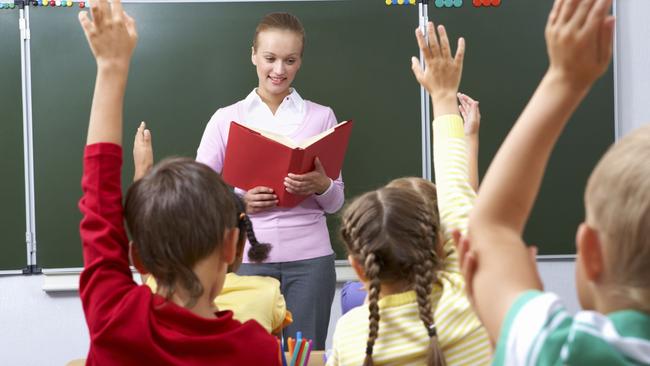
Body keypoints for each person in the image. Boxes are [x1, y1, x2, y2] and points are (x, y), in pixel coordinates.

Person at [77, 1, 280, 364]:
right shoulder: (256, 350)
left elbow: (99, 203)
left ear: (138, 257)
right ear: (232, 245)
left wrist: (111, 68)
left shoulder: (116, 321)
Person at [457, 0, 649, 364]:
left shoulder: (560, 351)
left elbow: (491, 225)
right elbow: (493, 227)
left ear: (590, 252)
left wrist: (566, 77)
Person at [328, 21, 491, 366]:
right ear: (438, 243)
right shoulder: (469, 304)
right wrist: (444, 97)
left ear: (359, 268)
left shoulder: (351, 335)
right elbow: (457, 194)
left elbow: (457, 202)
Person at [196, 12, 343, 348]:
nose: (279, 70)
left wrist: (321, 185)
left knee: (307, 356)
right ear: (253, 56)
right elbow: (199, 196)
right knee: (247, 356)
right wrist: (239, 204)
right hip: (246, 260)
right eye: (270, 58)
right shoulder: (226, 119)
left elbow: (336, 202)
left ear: (300, 61)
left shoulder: (322, 117)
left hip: (311, 262)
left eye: (290, 60)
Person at [134, 122, 292, 334]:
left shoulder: (157, 290)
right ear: (234, 244)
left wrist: (142, 170)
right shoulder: (265, 294)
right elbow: (277, 352)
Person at [339, 93, 482, 315]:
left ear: (359, 266)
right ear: (439, 234)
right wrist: (470, 137)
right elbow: (465, 201)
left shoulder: (356, 301)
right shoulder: (461, 293)